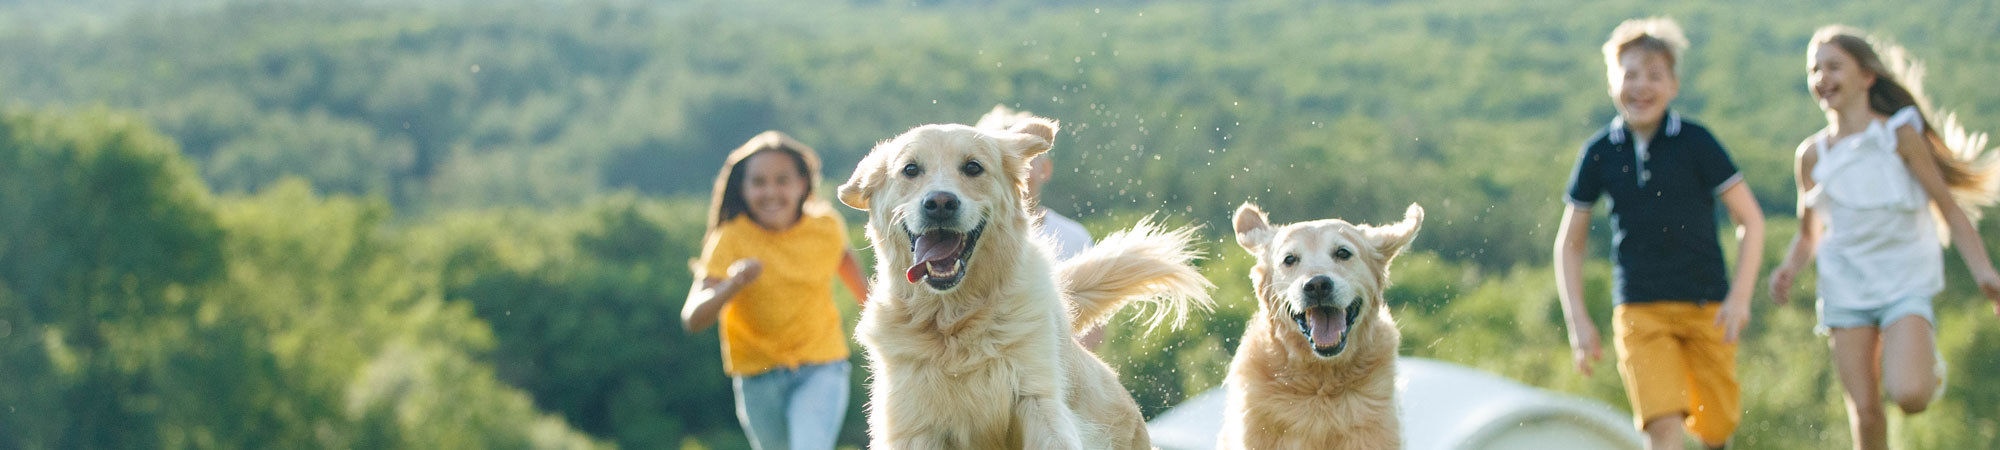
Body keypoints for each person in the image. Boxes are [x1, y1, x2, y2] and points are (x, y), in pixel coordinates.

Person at [1766, 25, 2000, 450]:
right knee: (1866, 411)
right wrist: (1787, 267)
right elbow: (1808, 235)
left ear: (1867, 76)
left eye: (1834, 66)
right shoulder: (1813, 155)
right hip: (1845, 285)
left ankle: (1926, 365)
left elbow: (1948, 208)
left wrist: (1986, 275)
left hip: (1903, 280)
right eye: (1814, 69)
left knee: (1910, 395)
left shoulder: (1898, 136)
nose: (1822, 77)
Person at [1553, 17, 1765, 450]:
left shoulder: (1697, 142)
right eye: (1629, 74)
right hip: (1639, 309)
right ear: (1612, 81)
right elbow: (1570, 244)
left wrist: (1740, 299)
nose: (1641, 86)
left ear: (1673, 85)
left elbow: (1752, 221)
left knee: (1716, 430)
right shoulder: (1599, 152)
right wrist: (1578, 320)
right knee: (1662, 427)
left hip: (1708, 306)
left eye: (1654, 75)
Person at [680, 131, 870, 450]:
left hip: (821, 367)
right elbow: (692, 319)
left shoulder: (826, 227)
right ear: (743, 189)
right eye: (758, 182)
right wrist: (733, 284)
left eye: (782, 180)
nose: (770, 192)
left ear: (802, 185)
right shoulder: (730, 238)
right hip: (757, 377)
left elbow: (867, 296)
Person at [976, 105, 1101, 347]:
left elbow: (1094, 324)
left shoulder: (1074, 237)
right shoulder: (962, 241)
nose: (1010, 172)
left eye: (1025, 160)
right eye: (996, 162)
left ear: (1045, 169)